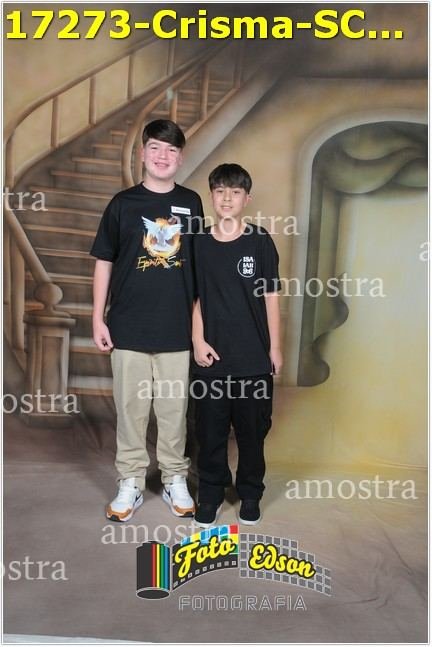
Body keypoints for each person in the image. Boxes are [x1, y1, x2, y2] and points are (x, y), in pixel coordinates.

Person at [90, 119, 204, 522]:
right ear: (142, 153)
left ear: (180, 158)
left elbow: (199, 269)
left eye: (171, 150)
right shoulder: (122, 204)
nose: (162, 156)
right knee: (131, 410)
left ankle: (174, 478)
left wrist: (198, 329)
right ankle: (131, 482)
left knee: (174, 411)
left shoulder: (191, 203)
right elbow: (104, 262)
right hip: (128, 327)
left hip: (175, 329)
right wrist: (97, 318)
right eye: (155, 147)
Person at [191, 163, 282, 528]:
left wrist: (275, 348)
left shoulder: (259, 241)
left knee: (252, 433)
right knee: (210, 433)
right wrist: (197, 340)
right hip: (212, 359)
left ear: (247, 198)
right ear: (211, 196)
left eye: (235, 192)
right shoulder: (198, 243)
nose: (227, 199)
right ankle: (211, 493)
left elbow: (271, 296)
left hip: (253, 358)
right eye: (220, 191)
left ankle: (250, 493)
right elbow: (195, 297)